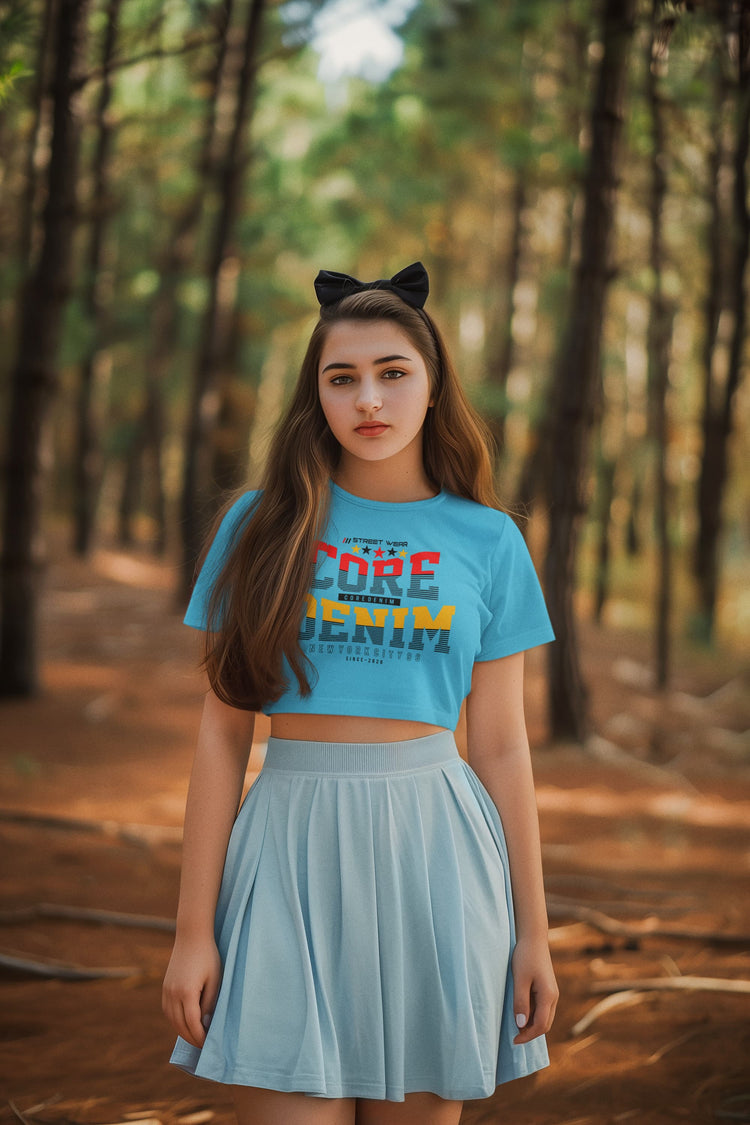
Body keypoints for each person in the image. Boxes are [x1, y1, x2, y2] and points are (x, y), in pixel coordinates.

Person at [162, 263, 558, 1125]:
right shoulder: (260, 526)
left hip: (438, 857)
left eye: (392, 373)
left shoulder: (489, 541)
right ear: (317, 395)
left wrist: (535, 929)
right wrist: (194, 929)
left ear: (432, 384)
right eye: (342, 378)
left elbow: (500, 746)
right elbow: (222, 737)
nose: (368, 399)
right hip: (288, 851)